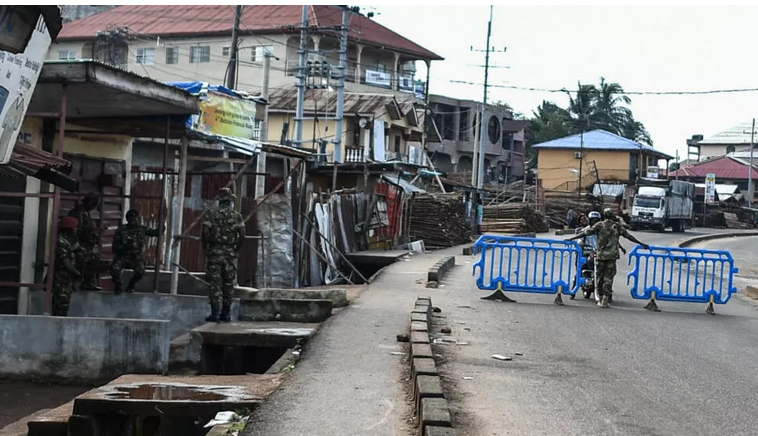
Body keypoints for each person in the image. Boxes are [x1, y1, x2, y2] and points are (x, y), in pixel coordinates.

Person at [568, 208, 649, 308]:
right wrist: (641, 243)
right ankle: (605, 297)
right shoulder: (617, 226)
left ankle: (600, 296)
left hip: (600, 256)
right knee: (609, 277)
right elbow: (628, 236)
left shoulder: (600, 225)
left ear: (604, 216)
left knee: (599, 276)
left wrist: (571, 238)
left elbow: (586, 232)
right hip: (612, 256)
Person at [202, 188, 245, 322]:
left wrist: (206, 248)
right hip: (230, 253)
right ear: (230, 200)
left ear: (219, 199)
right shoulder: (236, 215)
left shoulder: (211, 213)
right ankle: (226, 314)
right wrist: (236, 250)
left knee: (215, 283)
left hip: (215, 252)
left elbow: (205, 232)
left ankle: (215, 314)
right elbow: (242, 235)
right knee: (228, 283)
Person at [111, 209, 159, 294]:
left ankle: (131, 284)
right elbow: (114, 247)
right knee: (114, 269)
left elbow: (155, 233)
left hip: (136, 256)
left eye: (136, 219)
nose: (134, 222)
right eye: (132, 220)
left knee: (140, 270)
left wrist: (162, 225)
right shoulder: (121, 230)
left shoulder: (141, 229)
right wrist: (124, 247)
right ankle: (118, 286)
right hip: (123, 256)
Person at [68, 194, 103, 290]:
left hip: (86, 246)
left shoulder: (86, 214)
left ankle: (88, 283)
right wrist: (91, 231)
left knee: (94, 258)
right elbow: (75, 231)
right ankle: (76, 282)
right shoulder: (76, 213)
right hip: (76, 245)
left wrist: (94, 232)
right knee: (86, 259)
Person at [51, 217, 82, 316]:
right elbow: (66, 264)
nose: (76, 230)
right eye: (75, 228)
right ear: (69, 229)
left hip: (67, 279)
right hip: (61, 279)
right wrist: (77, 274)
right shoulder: (61, 242)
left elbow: (81, 251)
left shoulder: (71, 241)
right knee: (60, 306)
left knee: (65, 306)